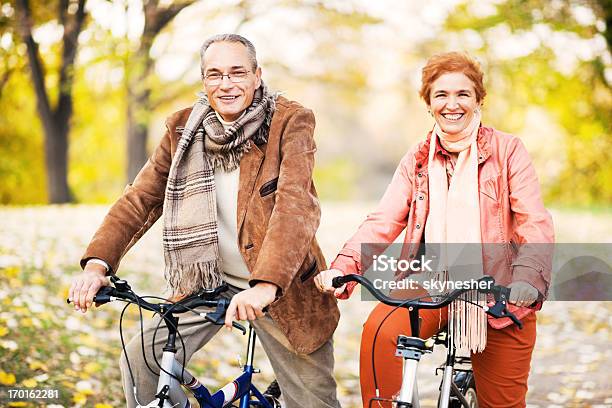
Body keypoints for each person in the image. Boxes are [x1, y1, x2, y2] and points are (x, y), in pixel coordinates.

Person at [69, 33, 341, 408]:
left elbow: (295, 209)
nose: (226, 84)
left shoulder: (290, 121)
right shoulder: (183, 129)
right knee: (141, 362)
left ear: (257, 75)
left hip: (283, 288)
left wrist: (264, 286)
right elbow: (140, 199)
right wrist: (96, 265)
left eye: (237, 72)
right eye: (214, 74)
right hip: (208, 281)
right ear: (203, 80)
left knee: (313, 402)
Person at [316, 52, 554, 407]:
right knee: (380, 332)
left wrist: (527, 278)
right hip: (430, 282)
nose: (452, 104)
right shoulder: (417, 158)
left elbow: (534, 222)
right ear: (428, 103)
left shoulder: (508, 151)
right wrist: (345, 266)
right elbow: (384, 220)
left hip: (499, 291)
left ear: (478, 100)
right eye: (441, 95)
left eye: (463, 94)